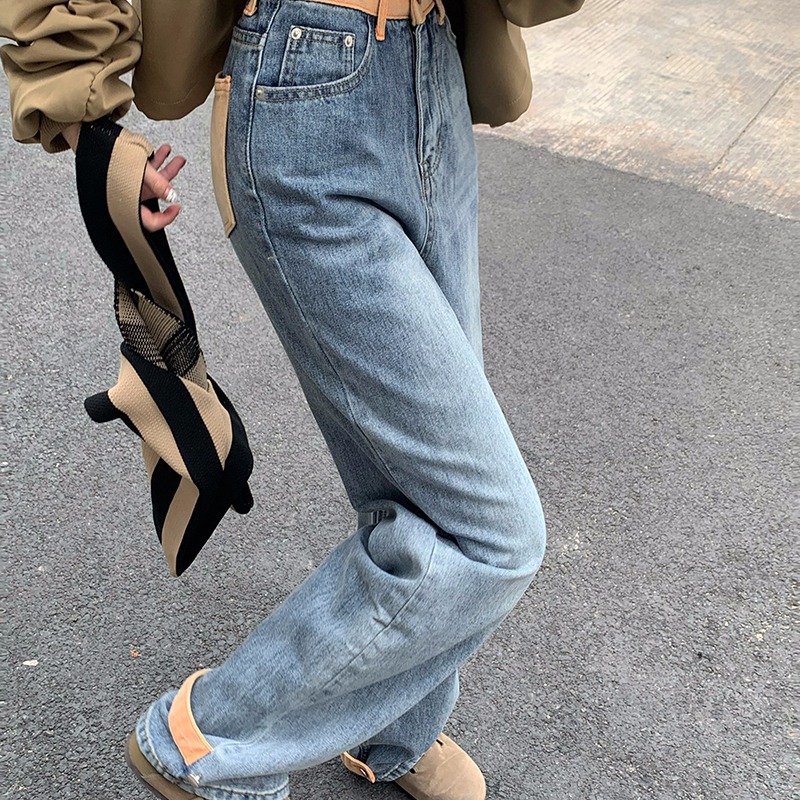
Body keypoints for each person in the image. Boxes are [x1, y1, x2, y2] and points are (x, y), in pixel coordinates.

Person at [1, 1, 583, 798]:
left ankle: (391, 727)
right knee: (493, 531)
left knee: (427, 483)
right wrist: (89, 122)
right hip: (303, 86)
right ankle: (205, 737)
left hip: (435, 72)